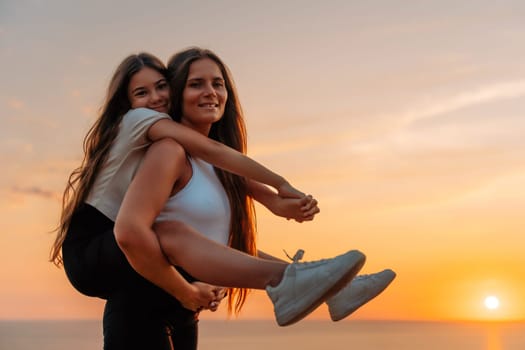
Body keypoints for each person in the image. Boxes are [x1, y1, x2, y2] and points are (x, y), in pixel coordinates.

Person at [51, 52, 366, 349]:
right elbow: (211, 156)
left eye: (161, 87)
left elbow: (216, 219)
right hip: (96, 253)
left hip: (178, 311)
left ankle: (325, 287)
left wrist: (274, 201)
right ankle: (285, 283)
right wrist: (281, 184)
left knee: (190, 236)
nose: (156, 98)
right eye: (142, 93)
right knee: (167, 231)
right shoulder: (147, 125)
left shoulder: (196, 156)